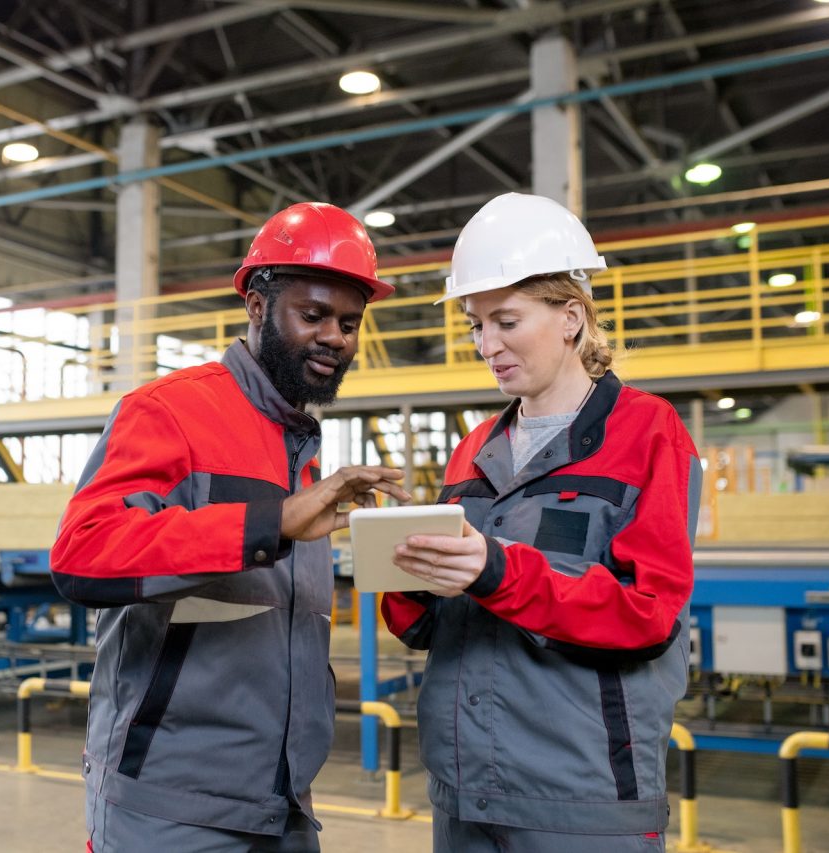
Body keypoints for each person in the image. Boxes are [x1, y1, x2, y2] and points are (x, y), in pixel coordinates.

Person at [51, 202, 411, 852]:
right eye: (314, 315)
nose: (336, 336)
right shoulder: (169, 413)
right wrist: (271, 521)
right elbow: (84, 552)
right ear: (256, 304)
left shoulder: (298, 445)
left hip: (282, 801)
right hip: (171, 805)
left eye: (351, 323)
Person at [382, 192, 701, 853]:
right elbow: (429, 629)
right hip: (466, 790)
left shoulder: (647, 432)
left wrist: (496, 569)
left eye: (505, 320)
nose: (485, 344)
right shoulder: (475, 446)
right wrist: (406, 571)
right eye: (475, 324)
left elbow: (649, 615)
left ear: (571, 317)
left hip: (580, 801)